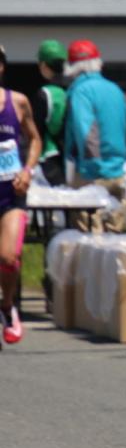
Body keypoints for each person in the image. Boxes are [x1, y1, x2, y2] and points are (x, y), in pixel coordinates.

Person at [62, 39, 126, 232]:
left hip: (92, 174)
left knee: (89, 237)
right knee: (115, 237)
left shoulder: (80, 91)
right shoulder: (115, 89)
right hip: (119, 171)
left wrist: (93, 169)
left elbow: (85, 132)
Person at [0, 45, 43, 344]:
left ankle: (7, 306)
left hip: (10, 193)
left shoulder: (18, 102)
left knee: (8, 256)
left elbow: (35, 139)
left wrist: (27, 170)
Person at [34, 40, 69, 187]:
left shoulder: (46, 93)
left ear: (43, 65)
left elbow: (37, 131)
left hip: (50, 157)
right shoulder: (74, 88)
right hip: (73, 156)